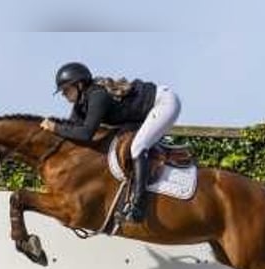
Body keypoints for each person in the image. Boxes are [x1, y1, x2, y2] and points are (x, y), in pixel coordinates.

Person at [40, 62, 181, 222]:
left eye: (66, 90)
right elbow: (72, 128)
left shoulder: (97, 96)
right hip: (146, 113)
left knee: (137, 147)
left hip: (164, 103)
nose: (63, 95)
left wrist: (54, 127)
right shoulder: (81, 103)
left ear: (79, 85)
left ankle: (139, 206)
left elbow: (86, 134)